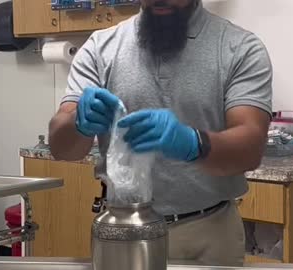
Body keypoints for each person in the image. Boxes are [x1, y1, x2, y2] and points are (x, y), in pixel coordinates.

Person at [48, 0, 273, 266]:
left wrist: (194, 143)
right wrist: (77, 123)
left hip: (209, 232)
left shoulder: (239, 48)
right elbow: (62, 147)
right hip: (123, 229)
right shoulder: (100, 48)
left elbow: (251, 147)